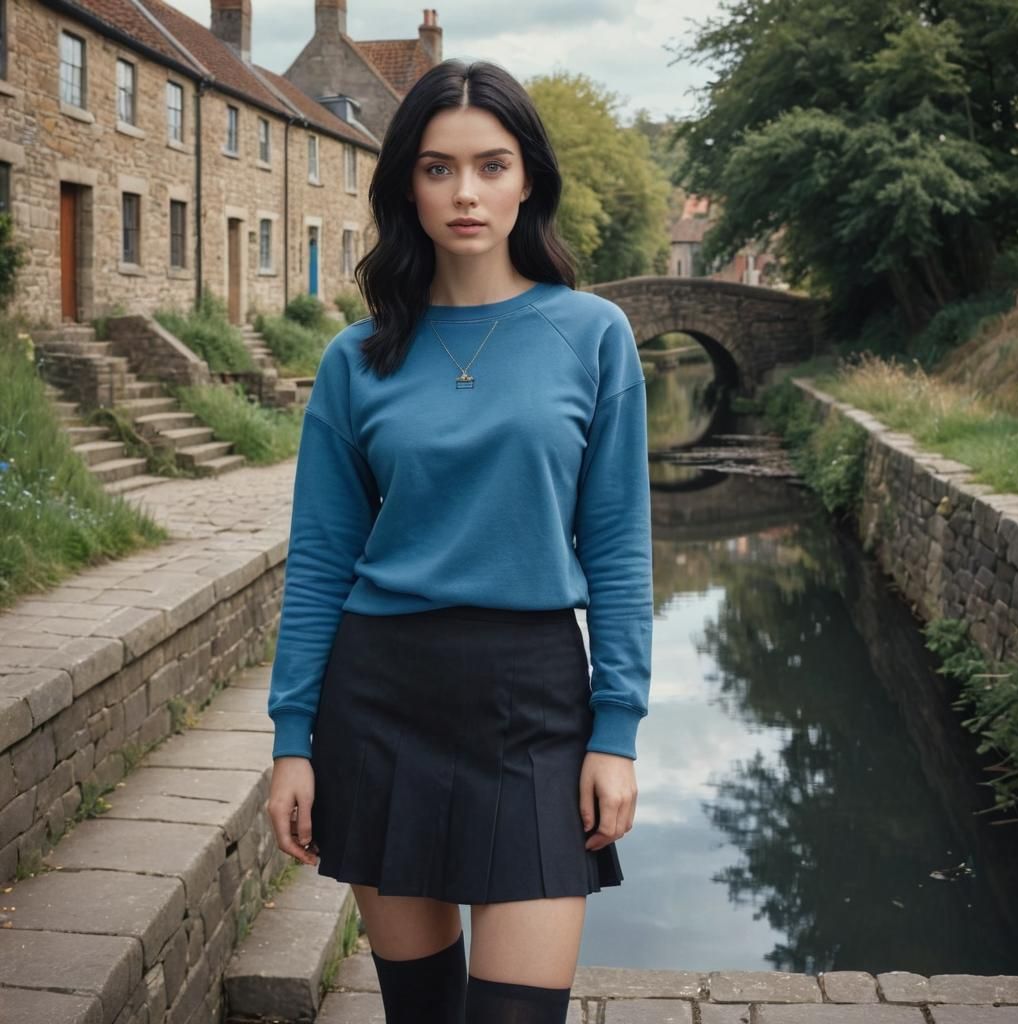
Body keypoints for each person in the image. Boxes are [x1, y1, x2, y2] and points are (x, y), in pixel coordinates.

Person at [264, 57, 653, 1024]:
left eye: (491, 165)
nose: (466, 192)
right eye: (438, 168)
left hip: (533, 705)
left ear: (529, 180)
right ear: (407, 184)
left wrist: (618, 730)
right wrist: (290, 740)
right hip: (382, 701)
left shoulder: (594, 335)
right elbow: (319, 560)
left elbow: (618, 550)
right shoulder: (357, 358)